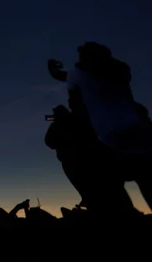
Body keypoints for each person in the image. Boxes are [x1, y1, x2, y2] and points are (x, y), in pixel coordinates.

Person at [52, 43, 152, 211]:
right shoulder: (110, 72)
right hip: (129, 140)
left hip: (119, 142)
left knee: (114, 192)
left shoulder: (101, 74)